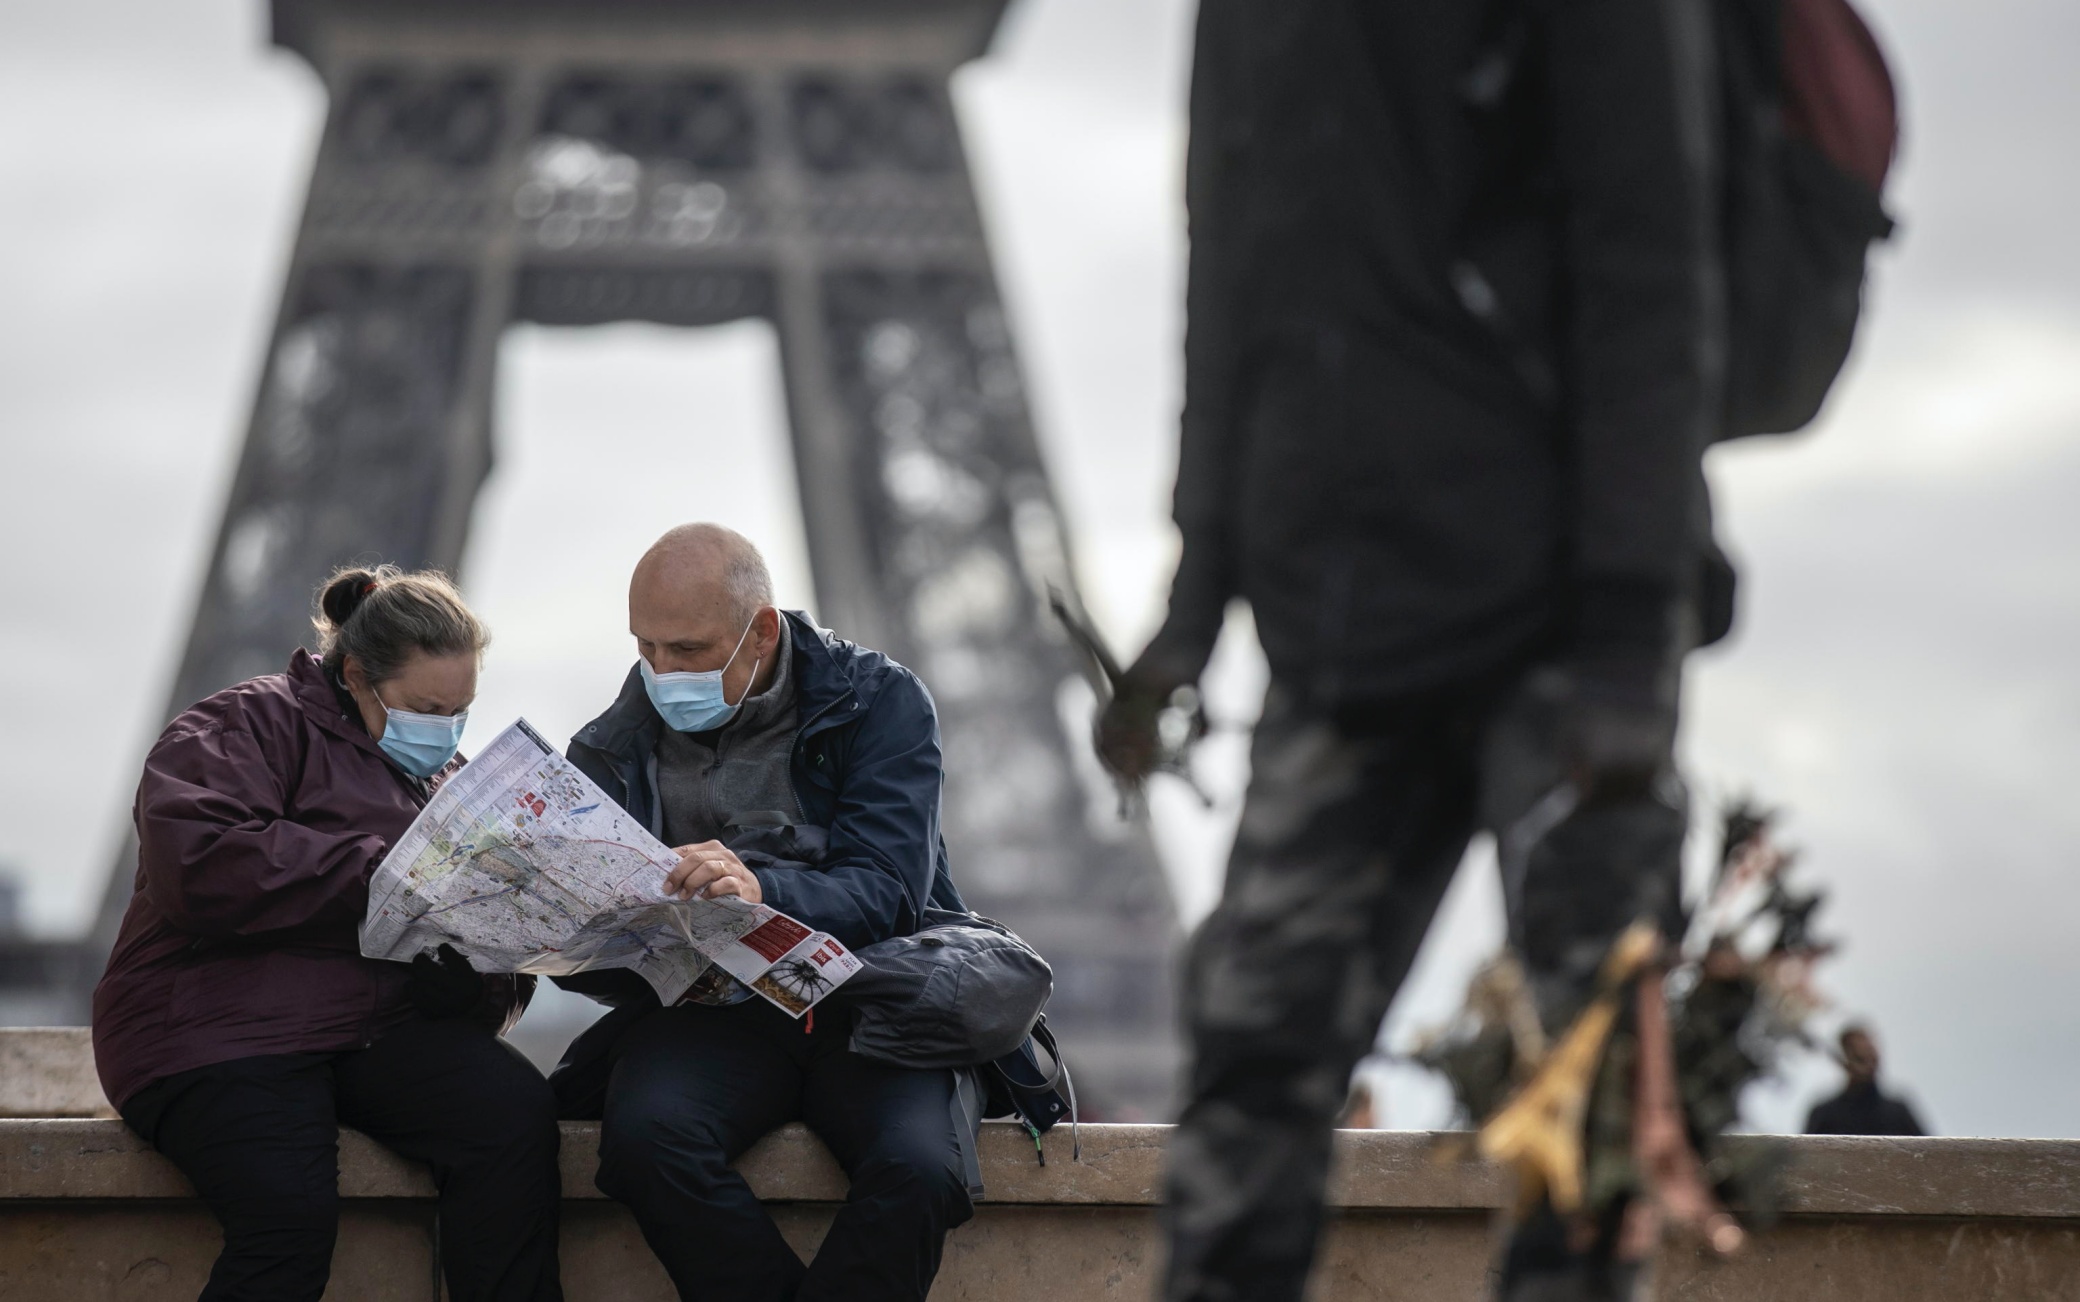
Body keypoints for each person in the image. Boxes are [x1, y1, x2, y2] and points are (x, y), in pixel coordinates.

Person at [1099, 2, 1728, 1299]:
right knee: (1251, 1059)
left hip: (1557, 616)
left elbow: (1652, 264)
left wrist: (1626, 632)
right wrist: (1194, 601)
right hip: (1339, 628)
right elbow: (1230, 272)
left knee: (1587, 1090)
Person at [92, 565, 563, 1302]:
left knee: (514, 1122)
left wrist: (473, 989)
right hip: (217, 1029)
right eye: (424, 708)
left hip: (370, 1032)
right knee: (287, 1213)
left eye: (459, 711)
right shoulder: (241, 724)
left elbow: (495, 947)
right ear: (355, 675)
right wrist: (382, 872)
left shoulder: (452, 785)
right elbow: (199, 862)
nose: (443, 731)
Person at [551, 523, 973, 1302]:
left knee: (920, 1172)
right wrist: (559, 931)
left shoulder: (879, 701)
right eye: (645, 648)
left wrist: (760, 890)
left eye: (686, 649)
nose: (660, 671)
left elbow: (888, 889)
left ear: (762, 631)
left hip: (865, 1005)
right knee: (645, 1145)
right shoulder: (608, 748)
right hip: (717, 1014)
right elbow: (608, 973)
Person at [1805, 1024, 1926, 1136]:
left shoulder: (1897, 1113)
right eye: (1859, 1058)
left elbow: (1929, 1153)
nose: (1867, 1066)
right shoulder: (1826, 1114)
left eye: (1871, 1057)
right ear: (1844, 1061)